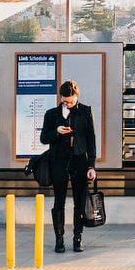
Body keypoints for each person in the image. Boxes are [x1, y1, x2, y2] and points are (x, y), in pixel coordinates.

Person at [39, 80, 97, 252]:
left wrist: (91, 166)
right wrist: (56, 132)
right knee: (59, 201)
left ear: (76, 97)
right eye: (64, 101)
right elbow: (44, 138)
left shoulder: (86, 111)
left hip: (79, 160)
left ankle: (78, 237)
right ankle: (59, 238)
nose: (67, 104)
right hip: (58, 161)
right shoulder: (51, 114)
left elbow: (91, 140)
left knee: (79, 201)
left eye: (70, 101)